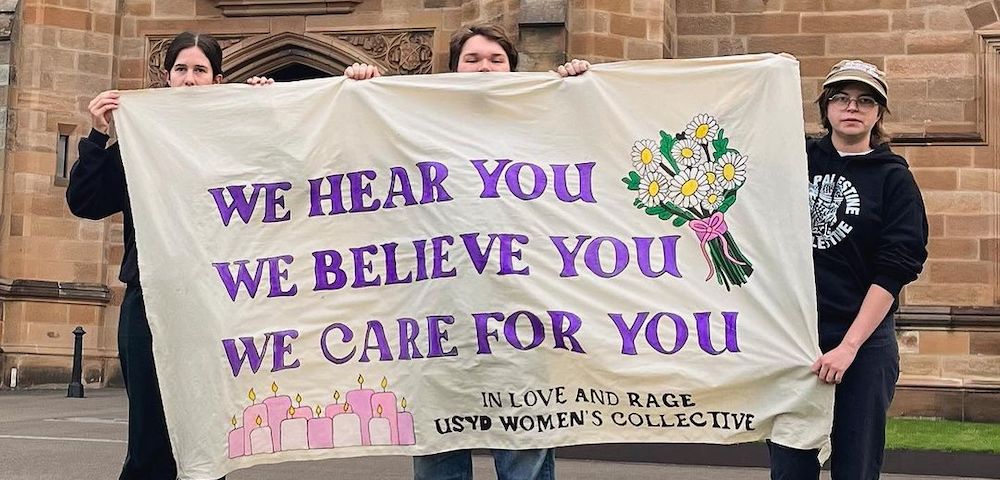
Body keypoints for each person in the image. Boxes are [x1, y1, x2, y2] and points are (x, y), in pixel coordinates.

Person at [344, 23, 588, 480]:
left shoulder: (539, 120)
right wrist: (363, 92)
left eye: (496, 59)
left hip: (523, 315)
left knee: (524, 450)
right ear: (453, 67)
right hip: (437, 316)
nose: (484, 68)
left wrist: (582, 88)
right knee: (438, 445)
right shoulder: (416, 122)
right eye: (472, 59)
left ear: (512, 69)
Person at [66, 31, 271, 480]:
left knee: (206, 442)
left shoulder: (237, 141)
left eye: (200, 70)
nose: (190, 79)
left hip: (217, 304)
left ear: (218, 80)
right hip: (151, 302)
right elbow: (85, 201)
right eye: (181, 69)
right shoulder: (142, 147)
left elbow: (297, 177)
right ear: (167, 77)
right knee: (149, 442)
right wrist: (97, 135)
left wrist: (267, 115)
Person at [768, 59, 929, 479]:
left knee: (855, 467)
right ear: (825, 108)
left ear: (878, 113)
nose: (851, 107)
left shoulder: (893, 179)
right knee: (790, 467)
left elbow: (895, 267)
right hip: (797, 338)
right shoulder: (793, 158)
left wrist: (850, 347)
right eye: (840, 98)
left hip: (864, 343)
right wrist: (586, 81)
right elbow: (711, 132)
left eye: (865, 100)